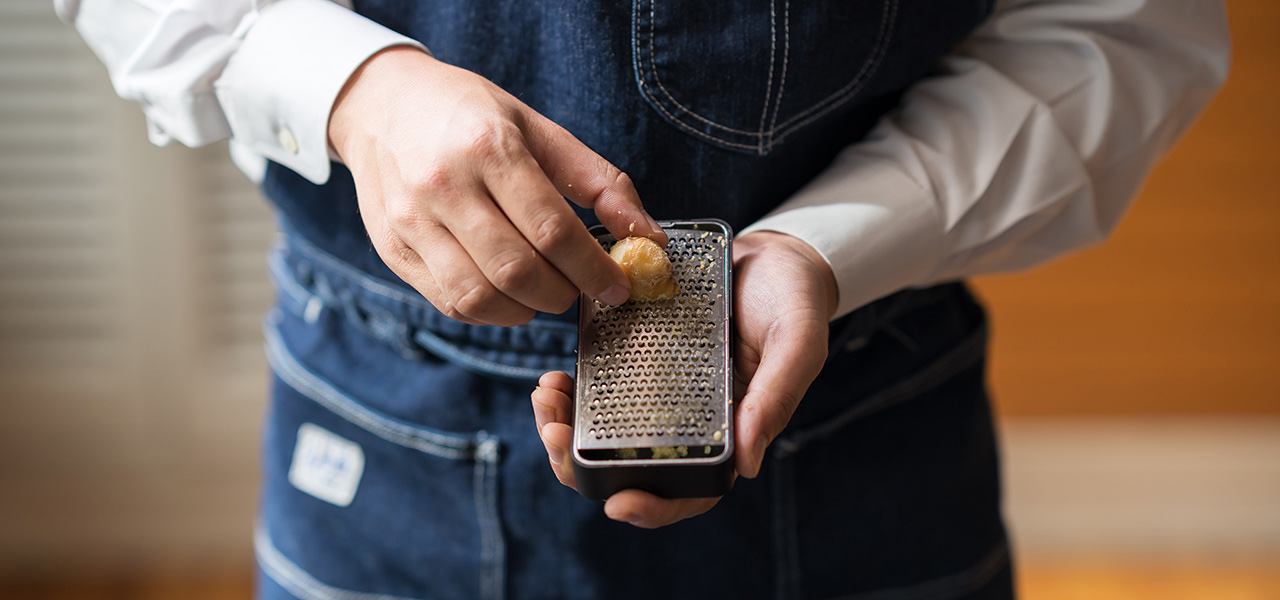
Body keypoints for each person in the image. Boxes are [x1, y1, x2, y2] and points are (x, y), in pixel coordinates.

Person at [58, 0, 1229, 598]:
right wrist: (351, 89)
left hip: (865, 412)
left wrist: (824, 247)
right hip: (379, 416)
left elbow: (1119, 34)